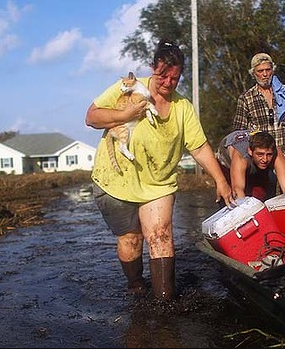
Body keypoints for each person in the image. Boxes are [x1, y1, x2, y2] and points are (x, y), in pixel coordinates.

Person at [85, 40, 234, 300]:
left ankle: (165, 302)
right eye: (162, 75)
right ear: (153, 67)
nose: (167, 82)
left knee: (161, 234)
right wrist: (127, 114)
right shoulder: (129, 88)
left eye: (174, 78)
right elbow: (92, 117)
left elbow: (198, 147)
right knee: (132, 240)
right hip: (115, 179)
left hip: (158, 182)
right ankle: (135, 285)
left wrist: (220, 179)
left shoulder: (183, 107)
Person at [231, 52, 285, 189]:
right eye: (260, 71)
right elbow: (239, 132)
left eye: (268, 70)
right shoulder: (246, 98)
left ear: (272, 70)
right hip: (264, 156)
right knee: (268, 195)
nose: (265, 74)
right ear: (254, 73)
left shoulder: (284, 92)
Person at [216, 129, 285, 203]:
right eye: (260, 154)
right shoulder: (240, 157)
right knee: (230, 198)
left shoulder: (277, 154)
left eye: (269, 155)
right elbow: (238, 191)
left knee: (263, 196)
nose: (265, 159)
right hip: (226, 164)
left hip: (253, 164)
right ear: (250, 151)